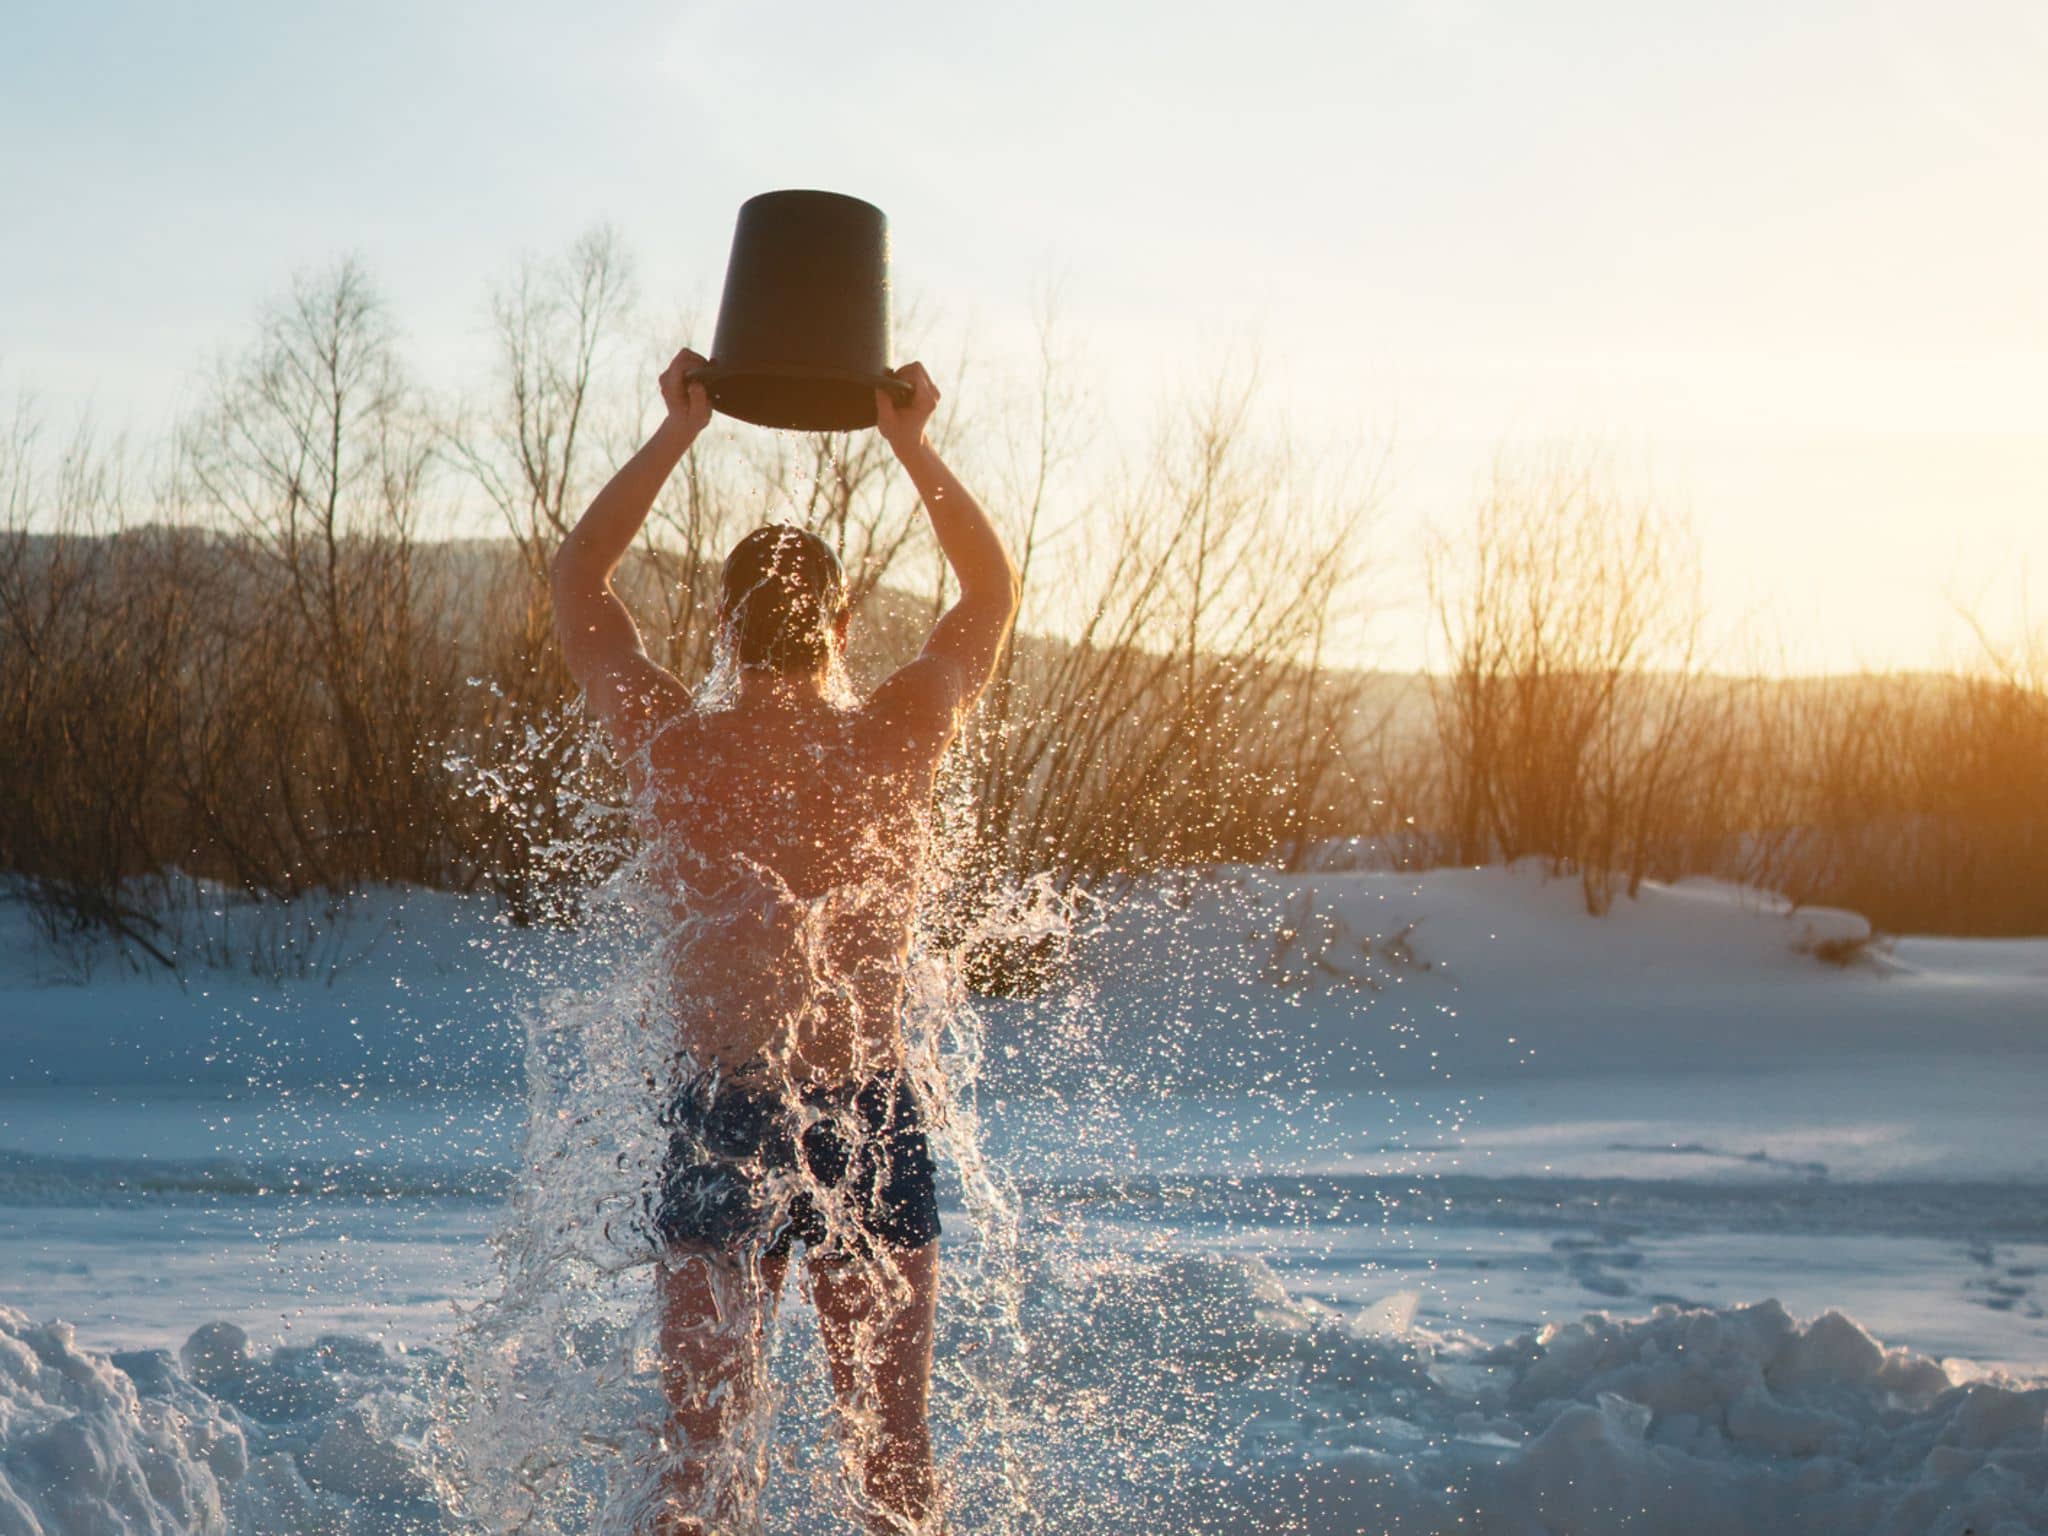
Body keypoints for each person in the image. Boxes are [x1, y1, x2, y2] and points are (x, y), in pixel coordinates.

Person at [549, 348, 1019, 1534]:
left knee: (696, 1468)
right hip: (870, 1117)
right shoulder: (895, 738)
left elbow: (576, 582)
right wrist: (909, 443)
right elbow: (988, 598)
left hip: (723, 1107)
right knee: (891, 1456)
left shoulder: (675, 749)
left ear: (720, 621)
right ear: (843, 619)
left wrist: (678, 430)